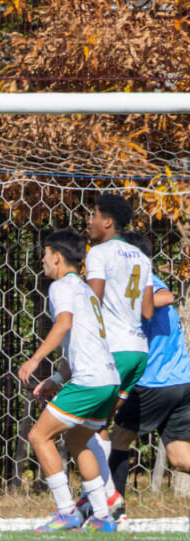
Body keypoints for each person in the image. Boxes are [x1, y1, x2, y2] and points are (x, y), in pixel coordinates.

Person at [19, 230, 121, 533]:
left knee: (39, 436)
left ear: (57, 257)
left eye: (45, 254)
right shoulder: (86, 291)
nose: (42, 260)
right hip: (108, 380)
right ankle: (102, 517)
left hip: (89, 381)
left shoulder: (61, 286)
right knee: (78, 441)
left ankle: (66, 512)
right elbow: (85, 345)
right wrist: (56, 379)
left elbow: (64, 324)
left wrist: (34, 360)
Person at [80, 194, 153, 515]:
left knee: (79, 423)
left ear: (107, 221)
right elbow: (147, 311)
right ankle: (103, 498)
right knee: (99, 423)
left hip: (113, 349)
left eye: (93, 215)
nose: (89, 220)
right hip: (137, 351)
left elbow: (92, 300)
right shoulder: (142, 258)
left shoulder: (98, 253)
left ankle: (106, 496)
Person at [107, 232, 190, 502]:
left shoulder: (143, 281)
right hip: (180, 381)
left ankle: (112, 511)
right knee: (180, 458)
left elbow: (166, 296)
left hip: (154, 382)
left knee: (119, 439)